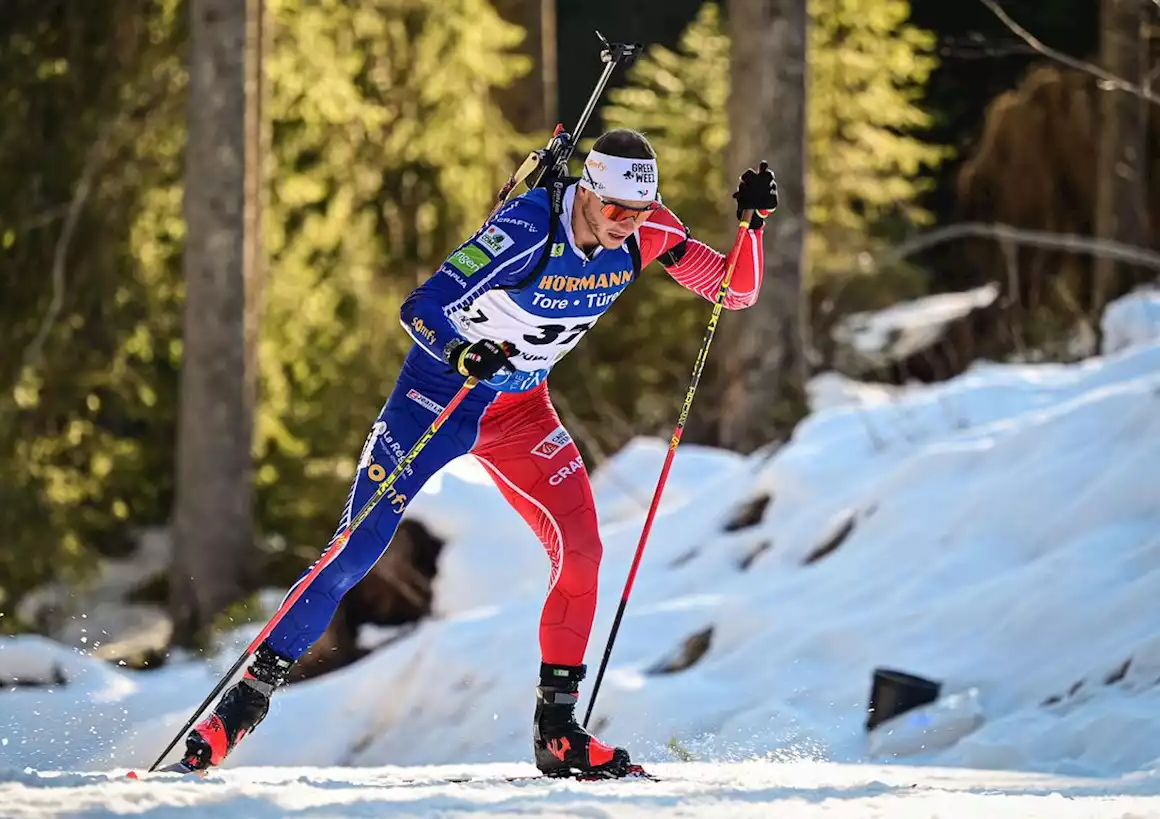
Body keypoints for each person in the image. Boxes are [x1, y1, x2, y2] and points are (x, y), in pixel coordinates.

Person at [181, 128, 778, 778]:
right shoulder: (528, 229)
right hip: (438, 400)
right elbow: (423, 305)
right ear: (586, 192)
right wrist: (464, 350)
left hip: (520, 410)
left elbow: (733, 290)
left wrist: (752, 227)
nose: (625, 227)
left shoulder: (646, 229)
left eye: (639, 213)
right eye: (614, 211)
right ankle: (239, 707)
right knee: (357, 547)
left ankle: (557, 730)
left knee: (582, 550)